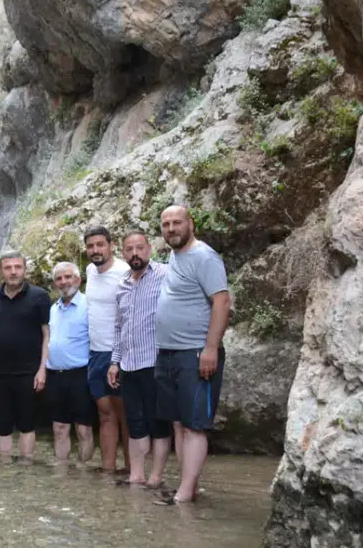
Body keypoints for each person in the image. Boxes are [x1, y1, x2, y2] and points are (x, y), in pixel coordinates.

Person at [156, 205, 231, 505]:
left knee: (195, 425)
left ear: (191, 223)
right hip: (169, 353)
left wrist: (211, 348)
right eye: (166, 224)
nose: (171, 228)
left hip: (195, 353)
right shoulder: (176, 256)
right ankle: (189, 487)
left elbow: (222, 302)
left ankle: (184, 494)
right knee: (178, 423)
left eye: (177, 222)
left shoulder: (204, 256)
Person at [108, 231, 171, 489]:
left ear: (150, 248)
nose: (135, 253)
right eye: (129, 249)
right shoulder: (122, 283)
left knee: (158, 422)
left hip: (156, 361)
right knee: (135, 421)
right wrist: (114, 361)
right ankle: (136, 475)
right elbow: (119, 326)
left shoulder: (166, 275)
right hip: (129, 365)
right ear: (123, 253)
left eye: (140, 248)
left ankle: (156, 476)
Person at [0, 249, 51, 460]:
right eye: (8, 268)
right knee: (1, 425)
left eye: (18, 267)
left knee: (27, 424)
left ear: (25, 269)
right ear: (1, 271)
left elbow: (47, 334)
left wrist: (42, 370)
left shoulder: (39, 296)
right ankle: (4, 469)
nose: (13, 272)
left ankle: (25, 468)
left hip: (28, 373)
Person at [83, 225, 131, 472]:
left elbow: (129, 316)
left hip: (118, 353)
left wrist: (118, 357)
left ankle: (134, 471)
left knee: (125, 414)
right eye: (91, 246)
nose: (95, 250)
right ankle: (109, 469)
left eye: (100, 244)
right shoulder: (90, 271)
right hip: (95, 352)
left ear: (111, 245)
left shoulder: (124, 272)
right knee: (104, 413)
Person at [46, 262, 94, 464]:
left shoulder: (89, 306)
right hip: (55, 375)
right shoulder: (52, 309)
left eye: (68, 277)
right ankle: (62, 473)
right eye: (59, 278)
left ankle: (84, 472)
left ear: (78, 280)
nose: (64, 282)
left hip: (80, 374)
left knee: (83, 428)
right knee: (59, 427)